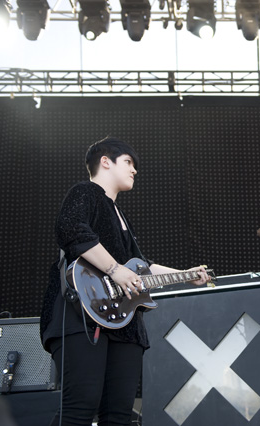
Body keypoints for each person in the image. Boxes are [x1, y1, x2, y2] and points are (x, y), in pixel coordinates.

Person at [40, 137, 209, 426]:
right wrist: (115, 269)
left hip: (124, 323)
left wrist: (186, 274)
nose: (134, 170)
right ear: (105, 161)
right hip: (82, 313)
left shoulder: (120, 215)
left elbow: (142, 267)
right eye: (128, 162)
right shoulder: (85, 192)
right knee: (79, 407)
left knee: (119, 414)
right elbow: (70, 228)